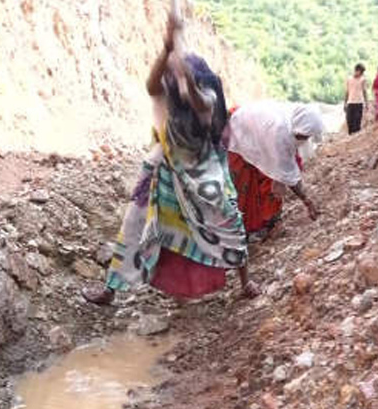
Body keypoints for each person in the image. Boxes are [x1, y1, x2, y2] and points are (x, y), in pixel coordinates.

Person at [83, 15, 257, 305]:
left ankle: (245, 281)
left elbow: (202, 103)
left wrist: (186, 77)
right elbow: (151, 86)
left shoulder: (208, 91)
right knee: (136, 223)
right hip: (167, 163)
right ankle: (111, 289)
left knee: (228, 218)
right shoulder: (167, 90)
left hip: (205, 167)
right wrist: (166, 50)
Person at [225, 102, 324, 242]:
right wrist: (307, 201)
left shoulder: (290, 120)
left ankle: (264, 222)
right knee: (245, 189)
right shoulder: (279, 132)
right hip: (238, 135)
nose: (304, 140)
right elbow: (288, 176)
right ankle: (245, 230)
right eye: (302, 136)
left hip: (256, 136)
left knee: (271, 182)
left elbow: (285, 169)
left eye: (306, 137)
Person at [344, 63, 368, 134]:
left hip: (359, 102)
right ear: (357, 70)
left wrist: (366, 103)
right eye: (361, 72)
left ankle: (356, 139)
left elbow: (364, 92)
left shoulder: (363, 80)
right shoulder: (349, 79)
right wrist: (345, 103)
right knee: (349, 121)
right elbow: (347, 92)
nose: (361, 74)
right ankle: (351, 138)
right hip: (350, 102)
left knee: (357, 122)